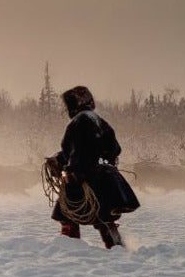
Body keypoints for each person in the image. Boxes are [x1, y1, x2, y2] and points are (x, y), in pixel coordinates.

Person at [45, 85, 140, 249]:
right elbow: (114, 149)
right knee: (105, 217)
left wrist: (71, 170)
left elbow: (77, 152)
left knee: (67, 214)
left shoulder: (77, 122)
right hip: (106, 178)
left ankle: (70, 248)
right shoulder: (99, 121)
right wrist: (60, 158)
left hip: (84, 177)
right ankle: (116, 247)